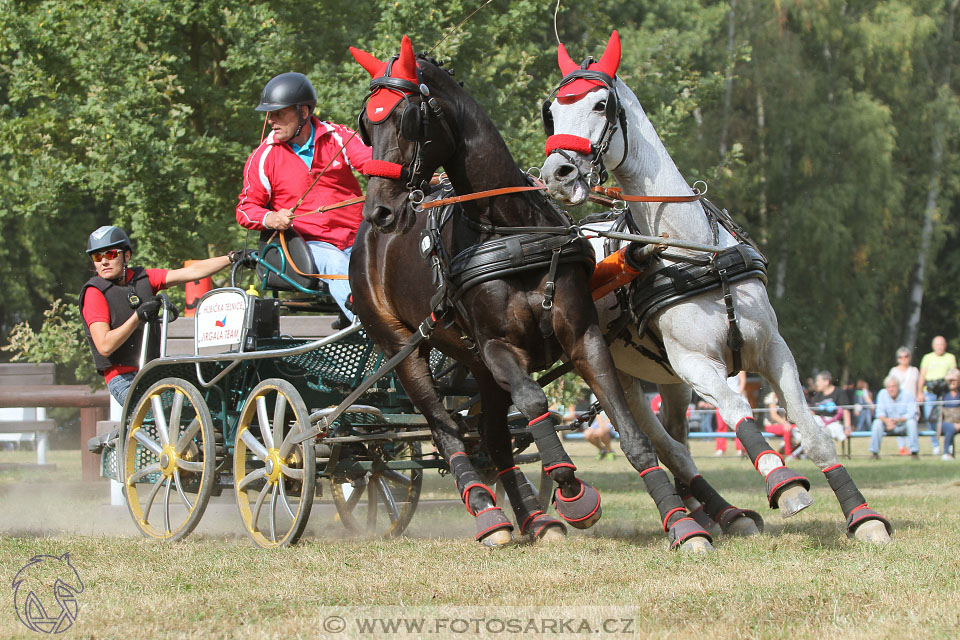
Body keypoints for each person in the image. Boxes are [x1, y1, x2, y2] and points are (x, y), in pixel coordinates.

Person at [236, 72, 373, 328]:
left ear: (304, 111)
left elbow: (372, 164)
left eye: (279, 113)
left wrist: (411, 172)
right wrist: (271, 218)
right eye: (269, 114)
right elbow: (245, 210)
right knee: (339, 265)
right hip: (311, 245)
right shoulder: (263, 157)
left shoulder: (338, 136)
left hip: (360, 236)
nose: (271, 120)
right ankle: (367, 326)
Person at [79, 226, 250, 404]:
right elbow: (105, 346)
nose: (104, 262)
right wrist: (138, 316)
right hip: (123, 379)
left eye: (111, 254)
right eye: (97, 257)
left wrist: (232, 258)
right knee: (180, 407)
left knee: (216, 399)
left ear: (126, 256)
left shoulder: (143, 278)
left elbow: (193, 272)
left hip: (155, 373)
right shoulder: (94, 292)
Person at [916, 336, 957, 455]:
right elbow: (922, 376)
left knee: (949, 418)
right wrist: (919, 392)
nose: (940, 347)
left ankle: (949, 444)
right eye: (938, 344)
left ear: (945, 345)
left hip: (945, 392)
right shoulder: (927, 358)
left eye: (942, 344)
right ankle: (935, 444)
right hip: (930, 392)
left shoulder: (950, 357)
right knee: (931, 419)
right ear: (933, 346)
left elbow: (954, 375)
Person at [869, 375, 919, 459]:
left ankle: (914, 453)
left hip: (903, 424)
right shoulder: (882, 394)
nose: (891, 389)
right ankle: (874, 453)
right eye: (889, 387)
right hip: (887, 425)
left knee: (912, 422)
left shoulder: (907, 394)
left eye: (893, 386)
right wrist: (887, 421)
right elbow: (879, 413)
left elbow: (911, 413)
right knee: (877, 423)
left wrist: (897, 420)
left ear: (898, 386)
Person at [887, 346, 920, 455]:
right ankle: (902, 448)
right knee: (898, 422)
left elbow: (918, 386)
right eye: (901, 357)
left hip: (911, 402)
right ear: (898, 359)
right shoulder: (893, 371)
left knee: (911, 423)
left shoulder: (914, 370)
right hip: (897, 403)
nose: (904, 359)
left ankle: (912, 448)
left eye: (906, 356)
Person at [810, 371, 851, 440]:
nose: (816, 383)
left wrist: (847, 427)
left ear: (826, 382)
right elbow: (812, 412)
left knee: (821, 433)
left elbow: (845, 411)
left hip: (834, 423)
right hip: (819, 422)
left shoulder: (839, 392)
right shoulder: (818, 395)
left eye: (818, 381)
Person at [714, 371, 746, 456]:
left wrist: (738, 396)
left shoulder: (739, 367)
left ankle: (740, 449)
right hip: (721, 399)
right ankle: (720, 448)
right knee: (721, 426)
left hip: (735, 397)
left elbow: (742, 381)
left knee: (738, 425)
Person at [761, 392, 800, 459]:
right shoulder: (773, 396)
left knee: (798, 429)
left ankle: (791, 451)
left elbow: (783, 416)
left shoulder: (784, 396)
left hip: (781, 425)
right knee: (787, 429)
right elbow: (773, 415)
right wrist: (785, 423)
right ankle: (789, 454)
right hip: (770, 426)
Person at [938, 368, 960, 460]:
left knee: (952, 426)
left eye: (954, 380)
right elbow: (934, 386)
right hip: (943, 422)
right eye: (949, 380)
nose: (952, 382)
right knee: (950, 427)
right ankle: (946, 453)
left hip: (958, 421)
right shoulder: (942, 392)